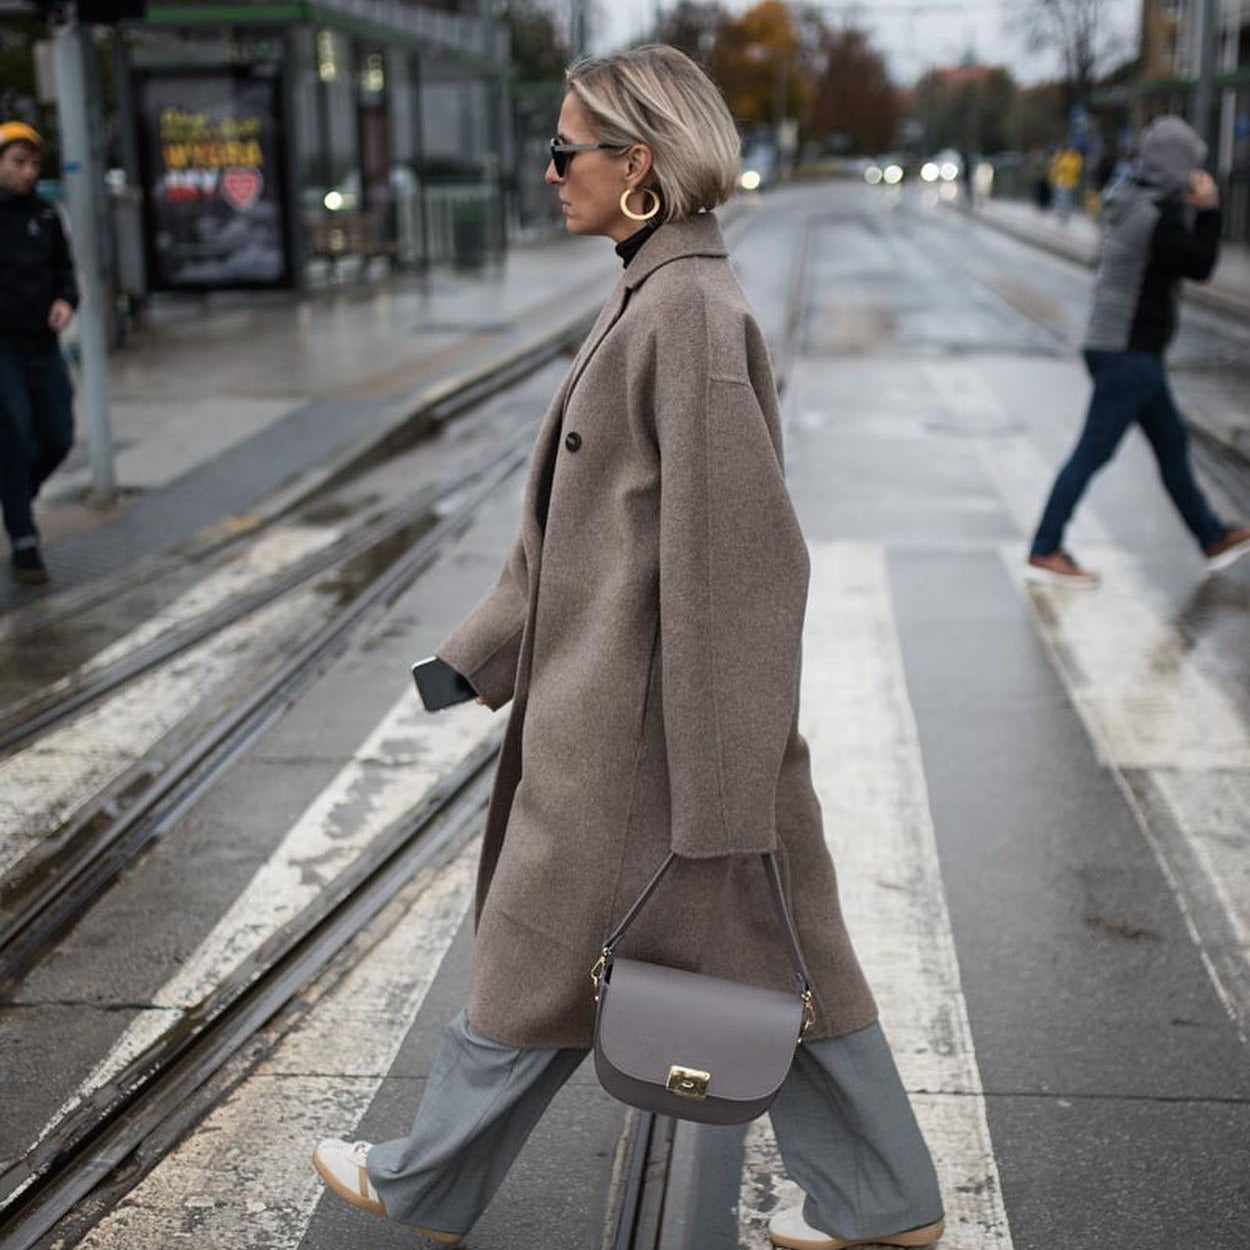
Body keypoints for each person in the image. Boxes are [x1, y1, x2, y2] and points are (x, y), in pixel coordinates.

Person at [310, 45, 945, 1250]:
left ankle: (429, 1183)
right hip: (635, 719)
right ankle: (883, 1199)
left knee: (536, 958)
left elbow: (742, 571)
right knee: (780, 968)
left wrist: (718, 800)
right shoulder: (647, 291)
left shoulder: (690, 317)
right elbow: (583, 529)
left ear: (638, 163)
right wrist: (483, 652)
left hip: (652, 744)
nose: (547, 171)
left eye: (565, 150)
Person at [1027, 116, 1250, 587]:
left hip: (1118, 346)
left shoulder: (1131, 196)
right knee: (1092, 453)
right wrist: (1210, 210)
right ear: (1175, 165)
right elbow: (1201, 265)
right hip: (1130, 353)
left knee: (1172, 446)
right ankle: (1046, 548)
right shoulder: (1157, 214)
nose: (1195, 174)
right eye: (1191, 164)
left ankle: (1211, 536)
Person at [0, 121, 77, 585]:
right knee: (16, 436)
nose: (28, 172)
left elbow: (66, 272)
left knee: (58, 436)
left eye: (33, 164)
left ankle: (14, 499)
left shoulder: (46, 216)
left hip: (43, 345)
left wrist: (66, 301)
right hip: (2, 347)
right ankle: (24, 539)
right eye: (17, 162)